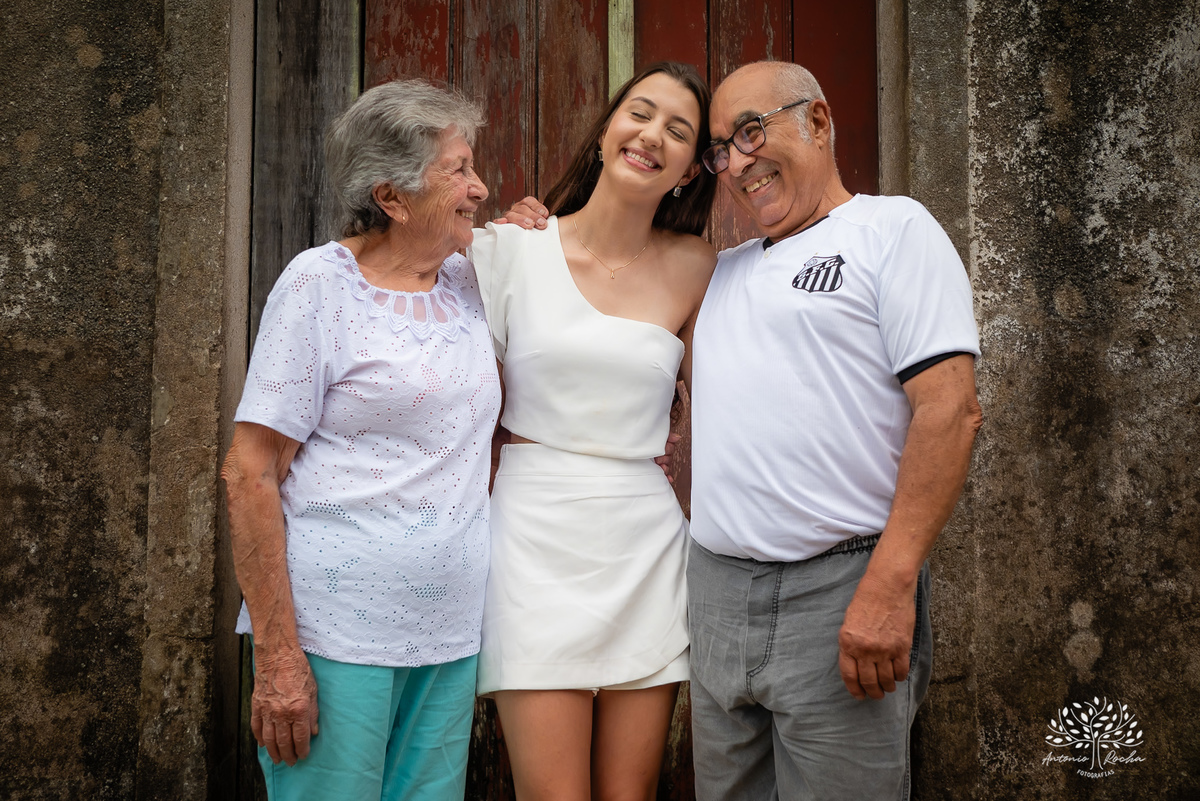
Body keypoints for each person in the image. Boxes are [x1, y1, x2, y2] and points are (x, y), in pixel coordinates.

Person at [504, 59, 983, 800]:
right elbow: (597, 348)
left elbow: (951, 410)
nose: (739, 162)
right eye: (724, 148)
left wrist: (891, 583)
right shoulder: (714, 272)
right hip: (716, 599)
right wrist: (525, 236)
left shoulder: (892, 231)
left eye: (752, 130)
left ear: (818, 121)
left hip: (840, 590)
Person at [221, 79, 498, 801]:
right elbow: (249, 471)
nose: (481, 186)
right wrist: (280, 657)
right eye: (459, 169)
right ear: (392, 198)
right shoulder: (320, 285)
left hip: (448, 635)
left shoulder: (472, 282)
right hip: (333, 637)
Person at [469, 61, 718, 800]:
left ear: (688, 169)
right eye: (639, 114)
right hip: (532, 537)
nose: (652, 136)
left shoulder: (701, 267)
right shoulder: (509, 250)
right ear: (608, 129)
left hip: (644, 542)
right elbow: (456, 405)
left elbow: (731, 400)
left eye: (679, 130)